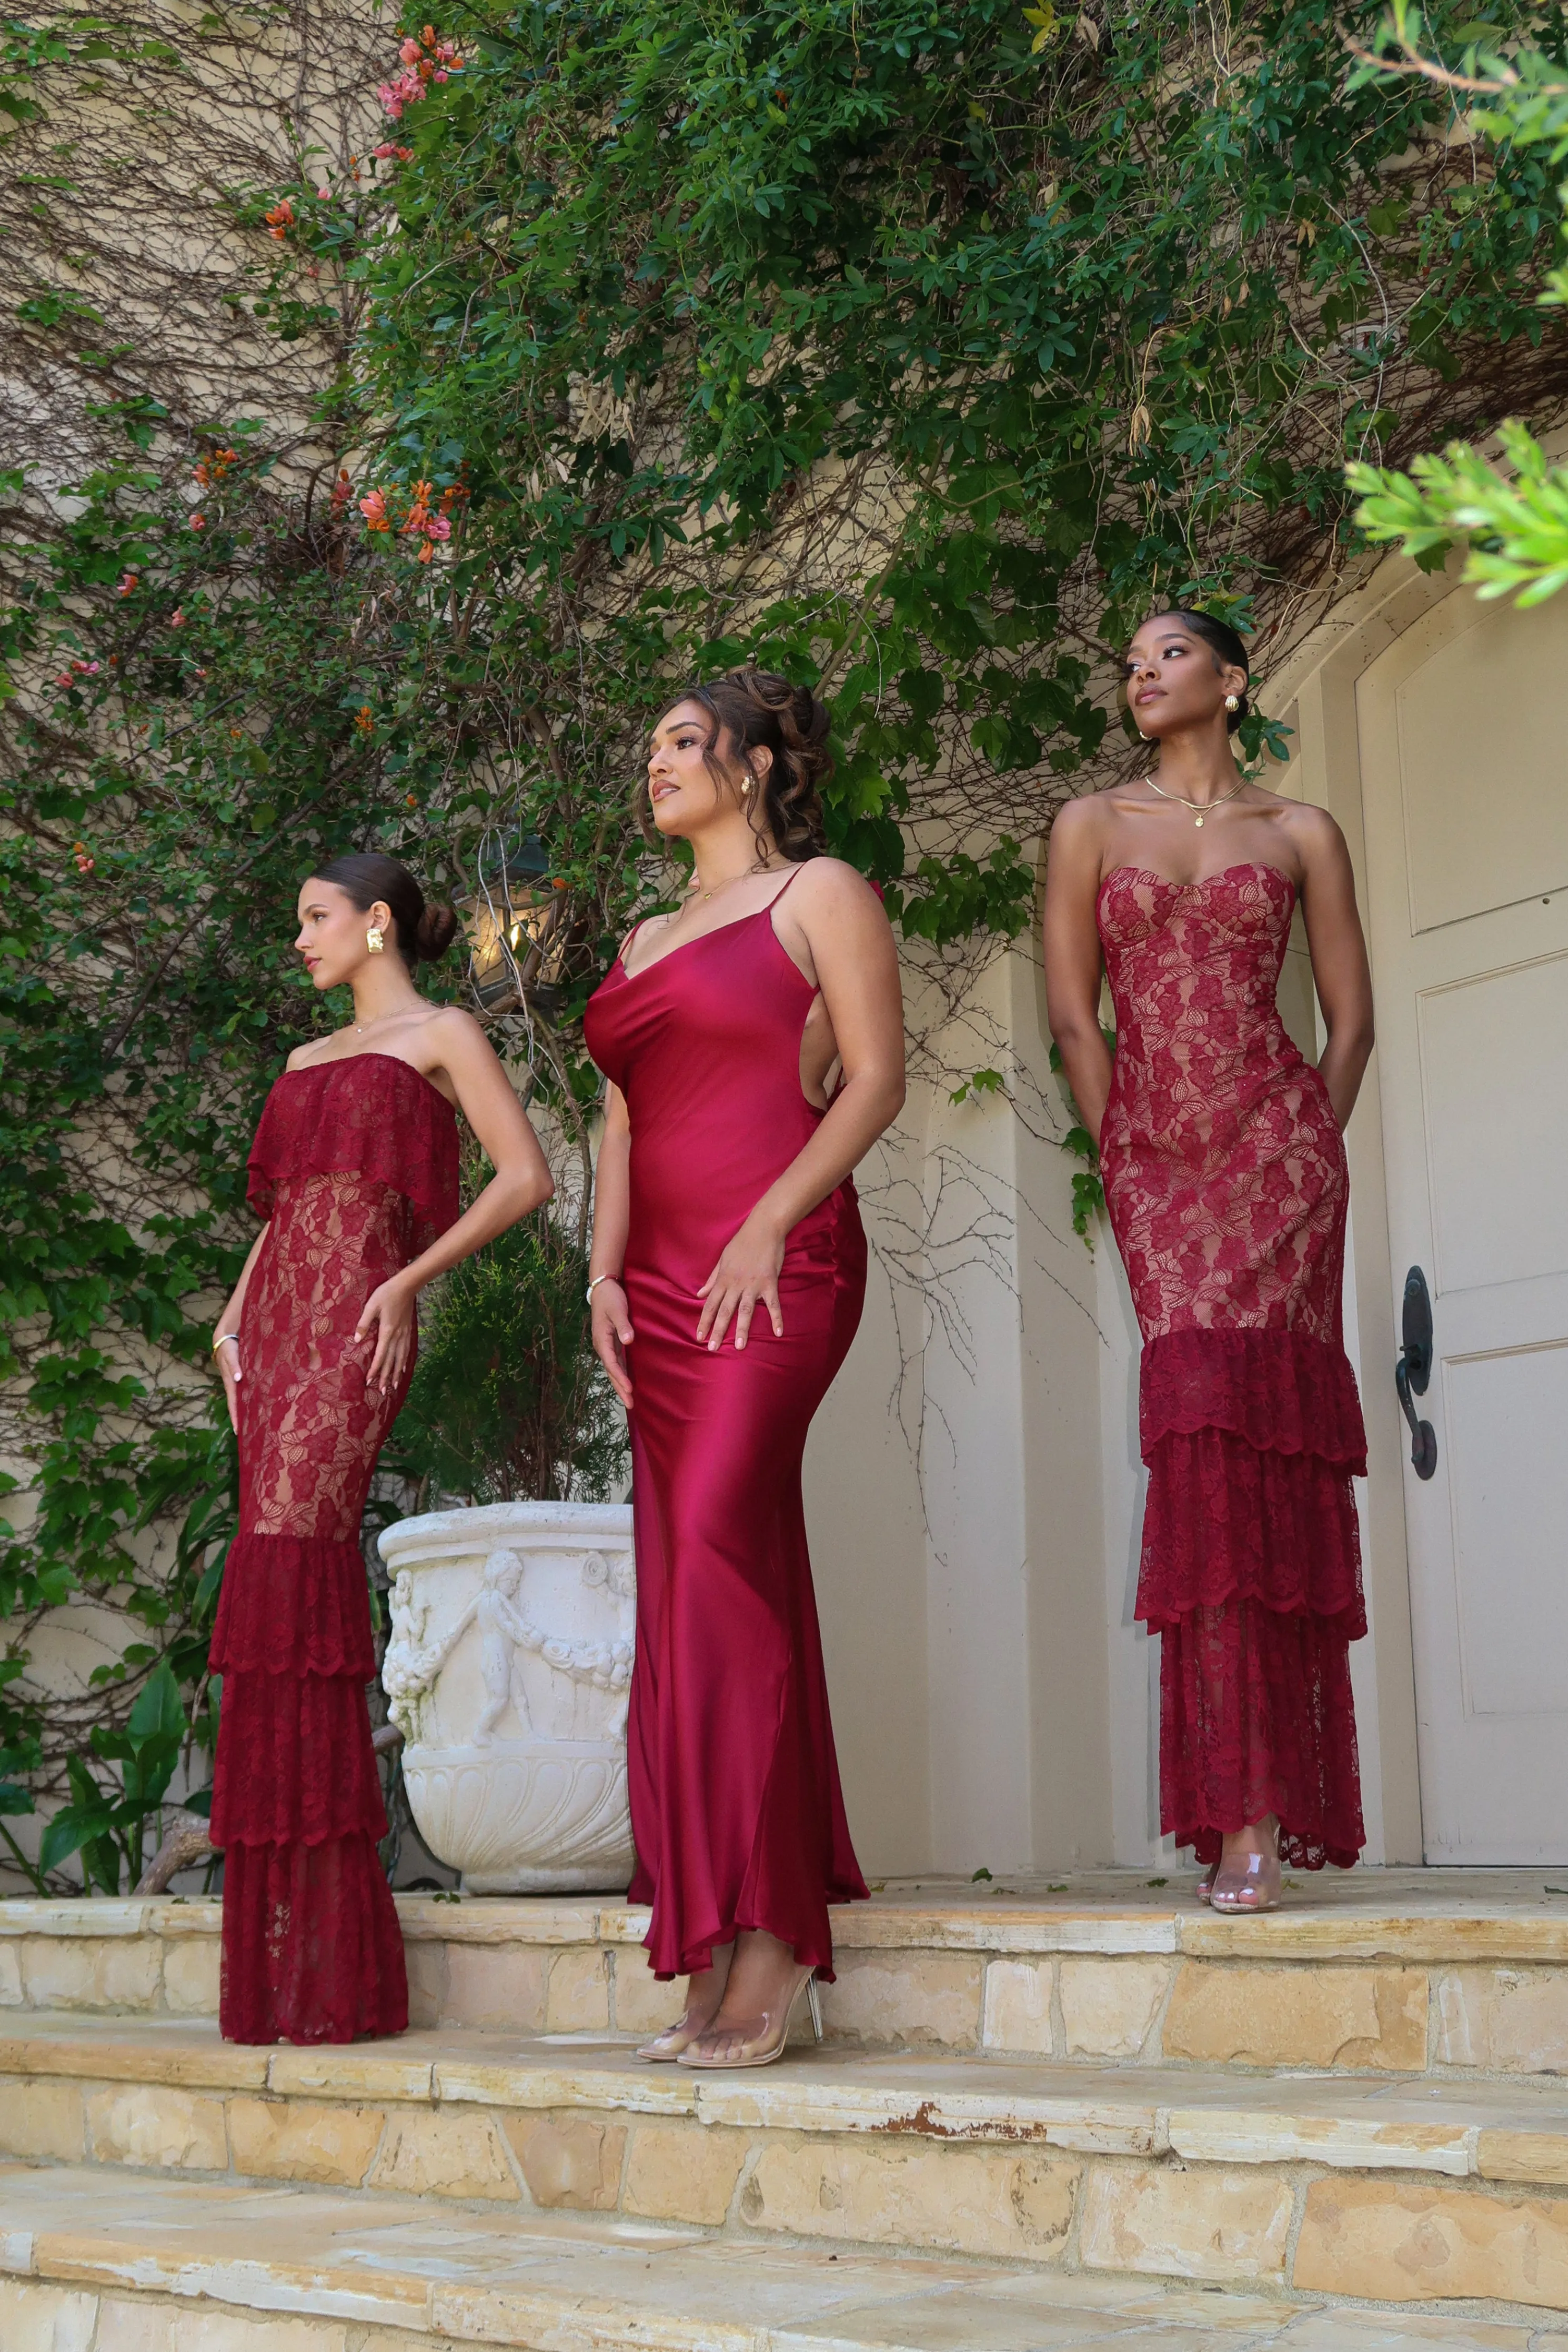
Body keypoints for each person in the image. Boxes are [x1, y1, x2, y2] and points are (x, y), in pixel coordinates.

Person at [581, 669, 904, 2067]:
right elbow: (618, 1120)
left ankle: (773, 1936)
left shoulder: (817, 893)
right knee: (694, 1579)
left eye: (681, 740)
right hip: (653, 1285)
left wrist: (773, 1217)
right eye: (647, 739)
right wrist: (598, 1268)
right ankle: (717, 1934)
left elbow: (877, 1077)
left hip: (777, 1260)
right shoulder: (645, 930)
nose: (654, 759)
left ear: (760, 764)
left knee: (717, 1547)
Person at [1043, 612, 1375, 1912]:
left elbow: (1347, 1022)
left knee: (1266, 1461)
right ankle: (1230, 1807)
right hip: (1159, 1172)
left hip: (1278, 1167)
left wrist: (1303, 1144)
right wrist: (1125, 1150)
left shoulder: (1300, 834)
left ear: (1230, 683)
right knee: (1199, 1449)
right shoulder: (1087, 824)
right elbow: (1076, 1013)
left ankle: (1266, 1820)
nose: (1140, 670)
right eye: (1130, 659)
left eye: (1168, 653)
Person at [208, 852, 552, 2041]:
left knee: (292, 1569)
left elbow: (526, 1178)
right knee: (270, 1575)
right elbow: (287, 1211)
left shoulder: (443, 1031)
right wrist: (230, 1313)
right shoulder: (304, 1061)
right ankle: (284, 1960)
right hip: (275, 1337)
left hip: (358, 1328)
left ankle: (329, 1965)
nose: (299, 938)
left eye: (314, 918)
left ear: (376, 925)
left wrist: (409, 1281)